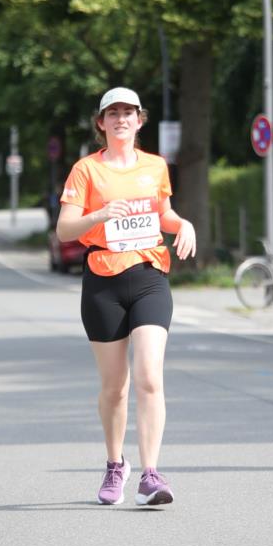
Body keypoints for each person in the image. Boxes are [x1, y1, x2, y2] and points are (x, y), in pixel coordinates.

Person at [57, 87, 196, 506]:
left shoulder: (155, 167)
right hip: (103, 280)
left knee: (150, 376)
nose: (121, 119)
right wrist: (98, 215)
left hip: (150, 274)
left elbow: (163, 213)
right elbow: (65, 230)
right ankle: (116, 465)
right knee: (115, 386)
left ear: (140, 120)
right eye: (112, 113)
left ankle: (151, 474)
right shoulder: (86, 170)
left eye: (128, 112)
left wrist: (182, 223)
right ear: (101, 123)